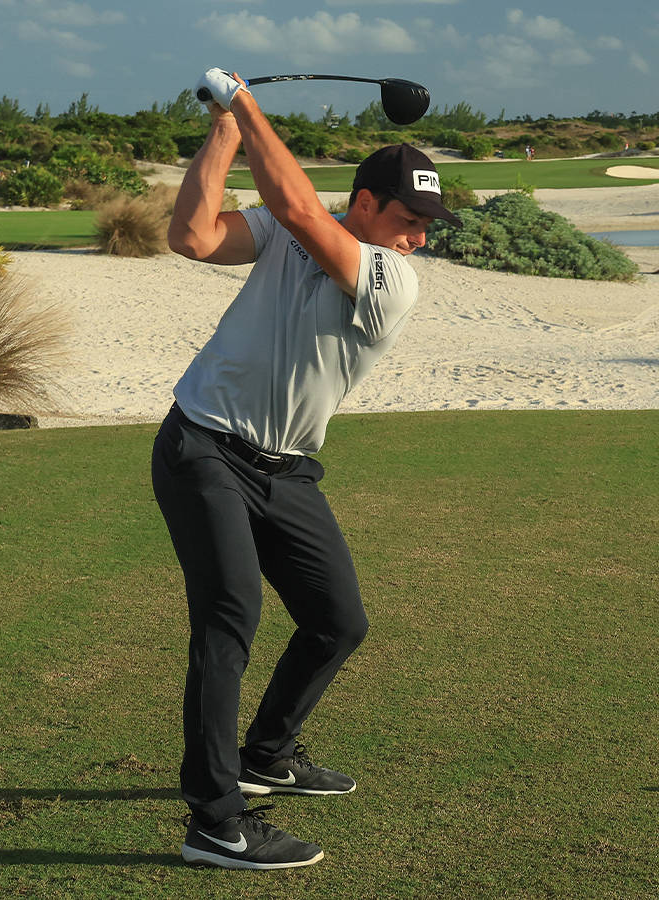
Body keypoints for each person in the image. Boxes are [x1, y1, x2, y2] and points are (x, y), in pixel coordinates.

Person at [154, 67, 461, 871]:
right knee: (230, 621)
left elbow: (295, 205)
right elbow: (191, 236)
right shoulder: (290, 227)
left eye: (430, 223)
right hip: (204, 446)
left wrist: (246, 101)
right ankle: (215, 822)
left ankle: (268, 755)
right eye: (408, 217)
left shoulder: (394, 279)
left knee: (338, 620)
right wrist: (227, 124)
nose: (418, 236)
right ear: (363, 202)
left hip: (287, 471)